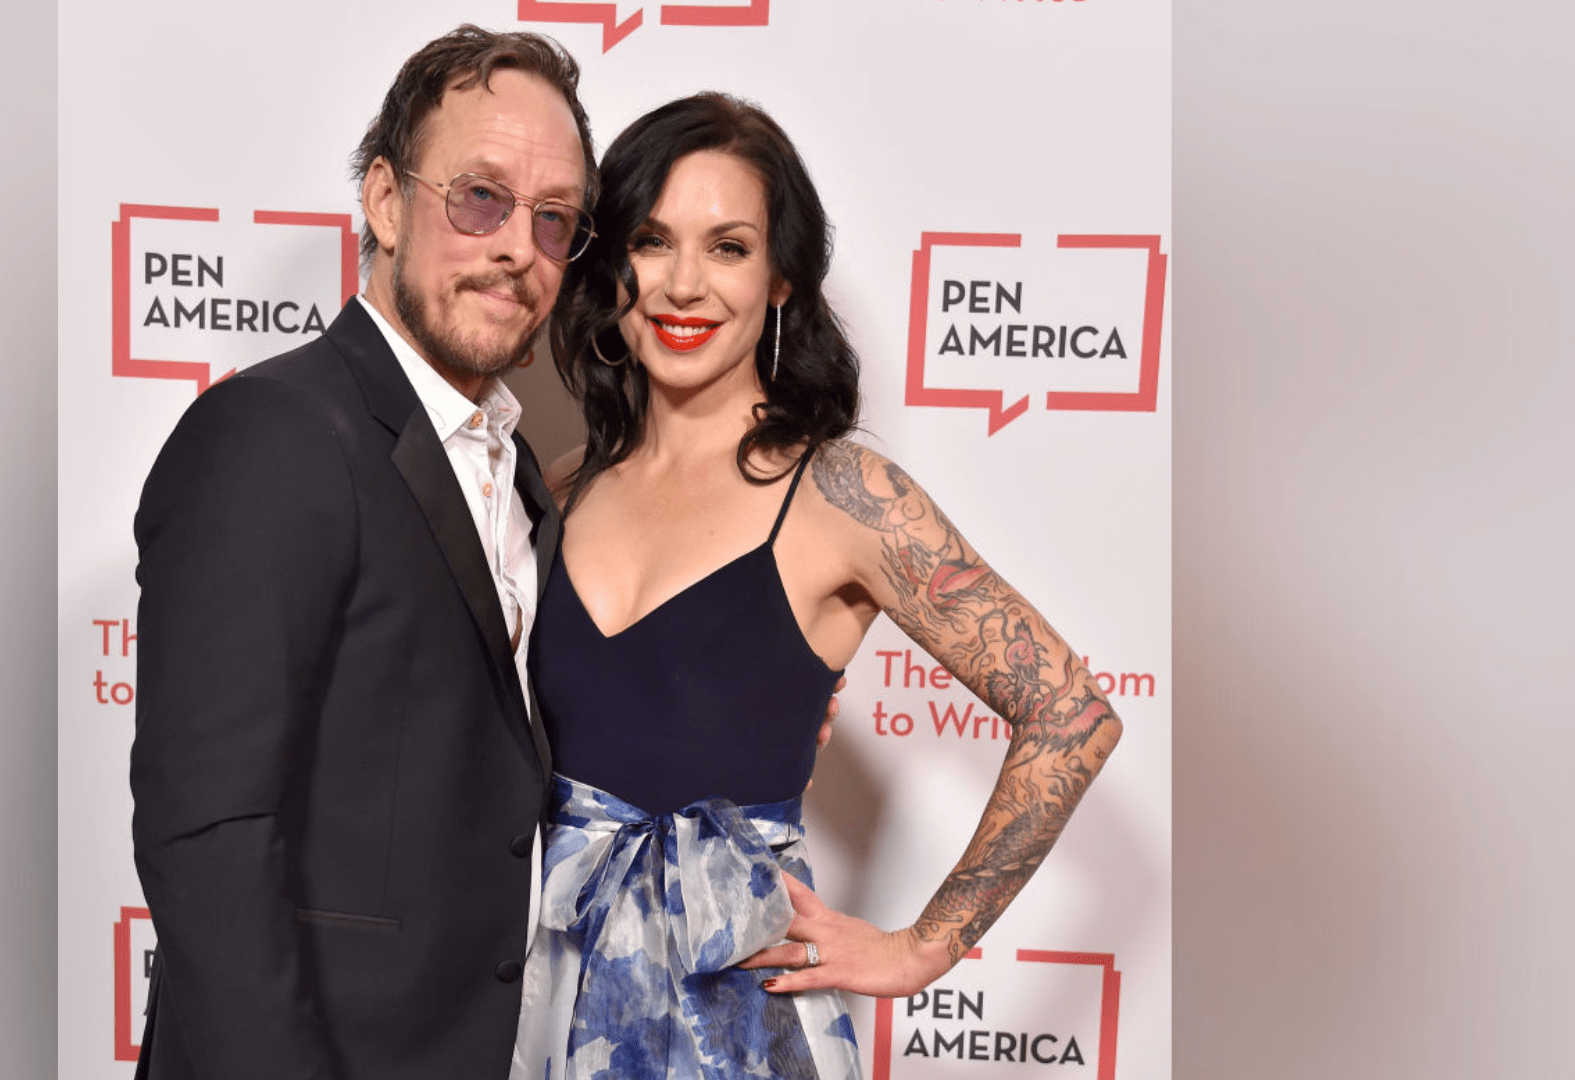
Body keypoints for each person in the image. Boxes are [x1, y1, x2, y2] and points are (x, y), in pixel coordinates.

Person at [510, 93, 1125, 1078]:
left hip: (735, 1027)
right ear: (611, 263)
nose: (682, 283)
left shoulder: (841, 494)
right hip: (546, 991)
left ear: (783, 276)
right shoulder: (563, 484)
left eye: (728, 247)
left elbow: (1070, 710)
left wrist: (922, 946)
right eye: (652, 239)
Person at [128, 26, 599, 1080]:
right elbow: (206, 831)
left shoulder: (519, 471)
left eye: (555, 219)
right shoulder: (273, 435)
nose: (518, 247)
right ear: (386, 201)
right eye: (479, 196)